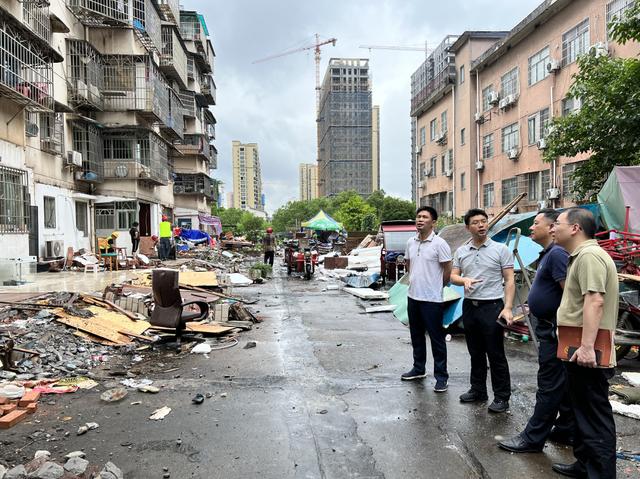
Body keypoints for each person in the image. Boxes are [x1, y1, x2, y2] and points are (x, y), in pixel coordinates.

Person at [498, 209, 574, 453]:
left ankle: (532, 439)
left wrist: (558, 327)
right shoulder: (549, 254)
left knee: (549, 386)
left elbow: (570, 295)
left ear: (552, 227)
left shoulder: (558, 254)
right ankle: (565, 430)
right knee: (562, 386)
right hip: (550, 329)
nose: (531, 227)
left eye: (536, 223)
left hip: (555, 332)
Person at [551, 208, 618, 479]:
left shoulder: (589, 256)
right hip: (576, 348)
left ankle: (600, 473)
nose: (553, 228)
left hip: (587, 350)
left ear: (575, 228)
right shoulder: (580, 256)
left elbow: (595, 300)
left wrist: (588, 347)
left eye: (557, 223)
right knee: (581, 412)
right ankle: (584, 464)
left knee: (594, 415)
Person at [450, 208, 515, 413]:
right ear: (468, 227)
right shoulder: (461, 251)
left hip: (492, 306)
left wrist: (508, 308)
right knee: (475, 352)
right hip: (470, 306)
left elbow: (510, 279)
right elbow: (453, 276)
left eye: (484, 221)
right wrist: (464, 280)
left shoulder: (500, 249)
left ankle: (502, 397)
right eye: (476, 222)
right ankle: (478, 390)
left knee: (496, 354)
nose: (481, 225)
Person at [401, 206, 452, 393]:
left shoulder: (440, 244)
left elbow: (447, 270)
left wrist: (438, 286)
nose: (420, 219)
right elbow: (409, 266)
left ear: (433, 222)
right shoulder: (410, 243)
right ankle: (418, 368)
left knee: (437, 339)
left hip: (432, 300)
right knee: (416, 335)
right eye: (418, 216)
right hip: (413, 297)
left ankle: (441, 377)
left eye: (425, 217)